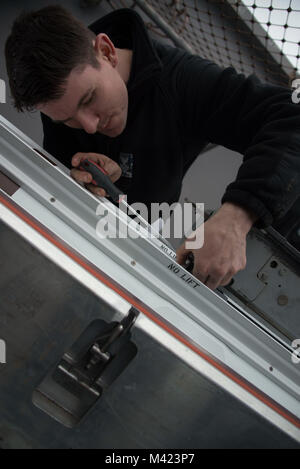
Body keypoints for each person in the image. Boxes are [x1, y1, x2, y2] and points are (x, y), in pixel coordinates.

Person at [5, 6, 300, 290]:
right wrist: (84, 185)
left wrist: (237, 217)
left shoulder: (181, 81)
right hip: (86, 240)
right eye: (68, 120)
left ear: (106, 52)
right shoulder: (60, 98)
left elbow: (290, 118)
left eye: (89, 99)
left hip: (147, 229)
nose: (89, 126)